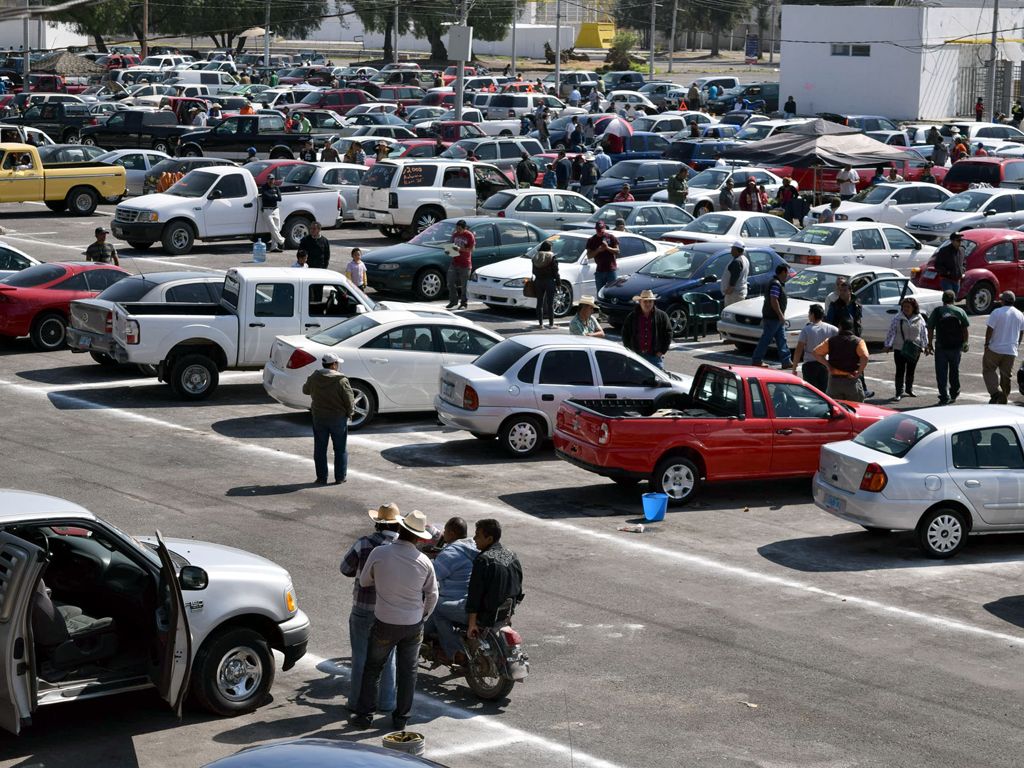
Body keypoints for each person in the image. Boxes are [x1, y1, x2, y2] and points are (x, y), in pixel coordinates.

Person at [351, 509, 438, 731]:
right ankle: (401, 719)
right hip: (413, 624)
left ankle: (364, 716)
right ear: (419, 538)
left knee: (373, 669)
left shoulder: (379, 553)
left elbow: (364, 581)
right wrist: (423, 615)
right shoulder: (424, 561)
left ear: (400, 529)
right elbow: (433, 595)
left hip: (385, 622)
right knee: (408, 672)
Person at [339, 503, 400, 714]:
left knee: (360, 657)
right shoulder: (400, 547)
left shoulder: (363, 543)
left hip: (362, 610)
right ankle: (386, 702)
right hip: (389, 612)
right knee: (388, 657)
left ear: (377, 524)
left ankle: (356, 702)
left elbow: (345, 568)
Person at [422, 517, 478, 665]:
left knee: (435, 608)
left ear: (452, 534)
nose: (443, 533)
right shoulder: (472, 546)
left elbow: (432, 576)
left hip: (461, 602)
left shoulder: (451, 553)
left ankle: (454, 652)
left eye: (445, 531)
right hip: (473, 600)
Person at [465, 519, 523, 645]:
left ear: (489, 539)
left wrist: (472, 624)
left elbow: (474, 595)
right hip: (505, 613)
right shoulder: (511, 555)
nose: (474, 539)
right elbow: (518, 588)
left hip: (487, 616)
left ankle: (453, 651)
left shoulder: (482, 560)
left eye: (478, 536)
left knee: (441, 612)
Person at [302, 352, 355, 484]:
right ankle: (340, 477)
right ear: (333, 365)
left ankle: (321, 477)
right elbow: (349, 400)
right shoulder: (341, 380)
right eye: (337, 363)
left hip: (319, 417)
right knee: (340, 449)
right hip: (338, 418)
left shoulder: (315, 377)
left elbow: (305, 390)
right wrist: (350, 413)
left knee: (320, 448)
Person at [927, 289, 970, 404]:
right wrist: (965, 342)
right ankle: (954, 392)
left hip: (941, 346)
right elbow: (965, 328)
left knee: (941, 372)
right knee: (954, 371)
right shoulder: (960, 311)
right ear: (954, 299)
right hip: (956, 347)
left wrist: (929, 344)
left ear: (942, 300)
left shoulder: (937, 311)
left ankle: (944, 396)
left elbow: (930, 327)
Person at [883, 297, 929, 401]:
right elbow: (892, 332)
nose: (906, 308)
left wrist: (925, 346)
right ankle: (898, 392)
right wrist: (887, 344)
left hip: (914, 349)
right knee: (900, 370)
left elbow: (923, 333)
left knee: (911, 370)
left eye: (908, 307)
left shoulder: (919, 318)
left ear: (914, 307)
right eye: (904, 307)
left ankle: (909, 389)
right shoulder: (897, 318)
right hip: (900, 348)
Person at [813, 317, 869, 402]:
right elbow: (865, 357)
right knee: (855, 409)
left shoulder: (831, 341)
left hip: (834, 382)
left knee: (836, 410)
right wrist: (859, 372)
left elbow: (816, 352)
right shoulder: (858, 341)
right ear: (852, 328)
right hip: (851, 381)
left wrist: (828, 365)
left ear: (840, 327)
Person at [983, 290, 1024, 404]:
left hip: (995, 348)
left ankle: (996, 393)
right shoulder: (1020, 314)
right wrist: (1016, 345)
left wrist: (987, 344)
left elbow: (990, 329)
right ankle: (1004, 399)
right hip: (1011, 350)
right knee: (1006, 376)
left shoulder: (997, 312)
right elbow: (1021, 332)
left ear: (1003, 301)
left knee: (988, 370)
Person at [751, 265, 792, 368]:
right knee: (766, 339)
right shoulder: (775, 284)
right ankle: (757, 360)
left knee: (781, 339)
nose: (788, 275)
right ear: (783, 272)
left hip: (775, 318)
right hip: (773, 317)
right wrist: (780, 315)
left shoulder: (777, 283)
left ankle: (786, 361)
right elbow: (774, 300)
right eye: (787, 272)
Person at [791, 304, 836, 392]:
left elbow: (799, 349)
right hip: (824, 364)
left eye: (809, 313)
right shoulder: (831, 328)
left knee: (811, 393)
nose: (808, 315)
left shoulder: (806, 329)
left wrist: (794, 367)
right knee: (823, 392)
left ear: (812, 314)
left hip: (809, 365)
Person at [622, 289, 671, 368]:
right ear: (640, 302)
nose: (648, 304)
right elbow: (625, 334)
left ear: (653, 302)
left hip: (655, 357)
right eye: (645, 301)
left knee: (658, 379)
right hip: (636, 355)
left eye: (650, 301)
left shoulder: (662, 316)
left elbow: (668, 333)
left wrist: (662, 351)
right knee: (636, 378)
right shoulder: (632, 316)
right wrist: (630, 350)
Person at [587, 220, 619, 295]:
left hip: (611, 270)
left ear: (604, 228)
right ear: (596, 230)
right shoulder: (592, 240)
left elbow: (617, 251)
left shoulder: (611, 237)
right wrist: (598, 250)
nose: (600, 232)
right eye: (598, 231)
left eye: (601, 230)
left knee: (613, 292)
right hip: (600, 271)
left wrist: (607, 248)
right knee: (600, 293)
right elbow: (589, 255)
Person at [531, 241, 559, 328]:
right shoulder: (552, 256)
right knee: (550, 303)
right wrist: (558, 282)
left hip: (538, 281)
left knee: (539, 303)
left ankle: (540, 324)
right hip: (549, 281)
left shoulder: (535, 256)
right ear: (549, 248)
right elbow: (556, 271)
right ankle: (551, 324)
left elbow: (533, 271)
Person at [447, 220, 474, 309]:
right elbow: (450, 244)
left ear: (464, 228)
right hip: (454, 262)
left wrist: (460, 248)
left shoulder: (469, 235)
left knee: (464, 285)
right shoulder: (455, 234)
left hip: (465, 264)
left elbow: (470, 249)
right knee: (450, 282)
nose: (457, 230)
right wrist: (448, 250)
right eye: (456, 228)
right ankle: (453, 301)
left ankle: (463, 303)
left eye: (459, 228)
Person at [259, 173, 285, 252]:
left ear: (274, 180)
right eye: (269, 179)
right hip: (267, 210)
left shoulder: (276, 188)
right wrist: (274, 196)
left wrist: (273, 196)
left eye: (272, 179)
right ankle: (282, 240)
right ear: (267, 180)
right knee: (273, 228)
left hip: (275, 209)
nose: (271, 181)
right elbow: (266, 196)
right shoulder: (264, 188)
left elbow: (280, 198)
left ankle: (274, 247)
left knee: (277, 228)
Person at [719, 240, 749, 306]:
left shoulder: (737, 262)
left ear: (736, 250)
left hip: (734, 295)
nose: (731, 251)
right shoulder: (744, 259)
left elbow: (734, 279)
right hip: (739, 292)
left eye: (732, 249)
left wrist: (728, 291)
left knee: (730, 314)